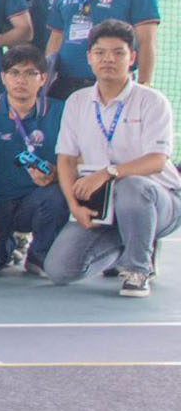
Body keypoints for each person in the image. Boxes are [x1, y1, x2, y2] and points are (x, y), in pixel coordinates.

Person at [43, 19, 180, 297]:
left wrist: (108, 173)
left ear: (132, 58)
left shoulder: (152, 101)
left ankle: (138, 269)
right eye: (100, 53)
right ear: (89, 58)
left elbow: (157, 160)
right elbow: (66, 159)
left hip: (159, 198)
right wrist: (74, 206)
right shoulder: (77, 102)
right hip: (103, 205)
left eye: (118, 53)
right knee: (60, 270)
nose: (108, 59)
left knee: (133, 186)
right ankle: (133, 241)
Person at [0, 45, 69, 278]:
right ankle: (8, 246)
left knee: (57, 195)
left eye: (30, 73)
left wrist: (55, 174)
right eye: (14, 73)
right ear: (3, 77)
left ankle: (38, 256)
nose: (21, 80)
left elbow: (74, 162)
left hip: (36, 200)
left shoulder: (61, 111)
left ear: (43, 78)